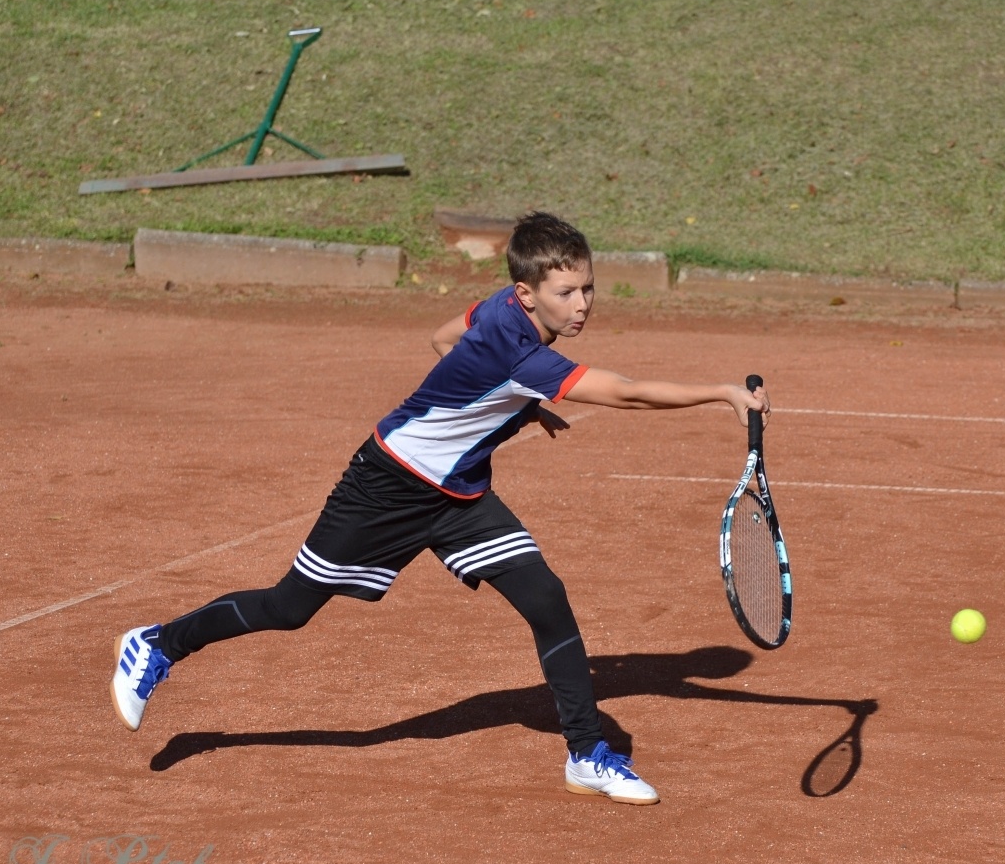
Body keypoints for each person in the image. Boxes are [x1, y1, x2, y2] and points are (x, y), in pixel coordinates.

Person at [111, 211, 768, 805]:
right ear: (527, 294)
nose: (582, 304)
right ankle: (156, 644)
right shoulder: (521, 353)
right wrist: (719, 393)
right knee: (290, 608)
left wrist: (513, 405)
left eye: (588, 288)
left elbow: (440, 336)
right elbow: (621, 393)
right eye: (567, 293)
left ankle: (586, 755)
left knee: (545, 597)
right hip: (386, 486)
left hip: (459, 495)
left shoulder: (499, 315)